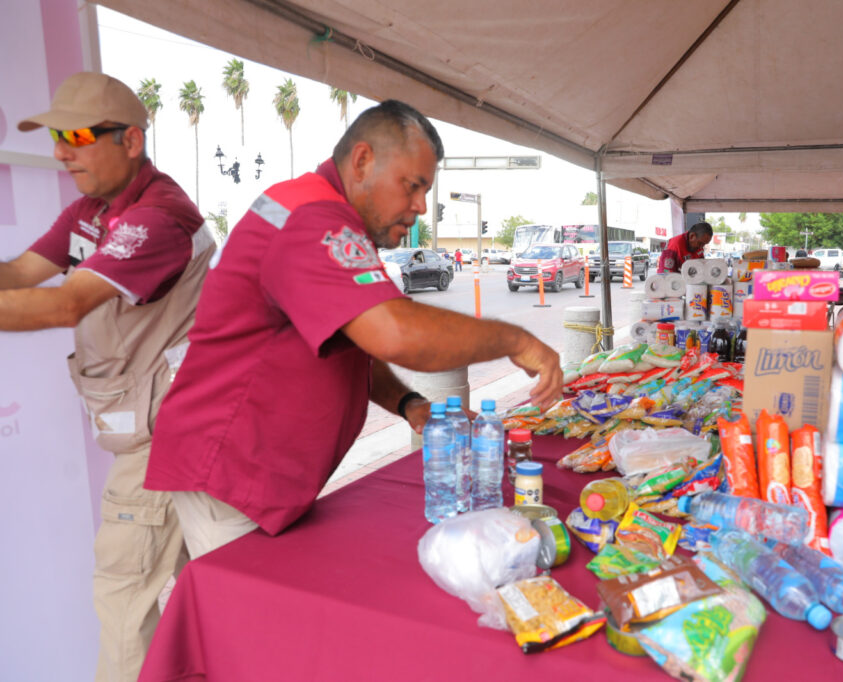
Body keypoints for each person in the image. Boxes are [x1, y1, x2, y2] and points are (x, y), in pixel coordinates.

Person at [144, 100, 562, 559]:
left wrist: (408, 403)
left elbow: (352, 342)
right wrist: (516, 340)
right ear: (362, 161)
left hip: (261, 475)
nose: (421, 207)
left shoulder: (322, 212)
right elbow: (394, 334)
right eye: (412, 186)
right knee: (248, 616)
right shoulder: (311, 218)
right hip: (232, 473)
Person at [0, 72, 213, 682]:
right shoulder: (92, 213)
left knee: (123, 602)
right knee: (210, 587)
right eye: (56, 137)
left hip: (164, 438)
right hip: (164, 429)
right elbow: (19, 272)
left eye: (75, 134)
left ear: (132, 140)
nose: (61, 151)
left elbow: (65, 304)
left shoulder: (157, 220)